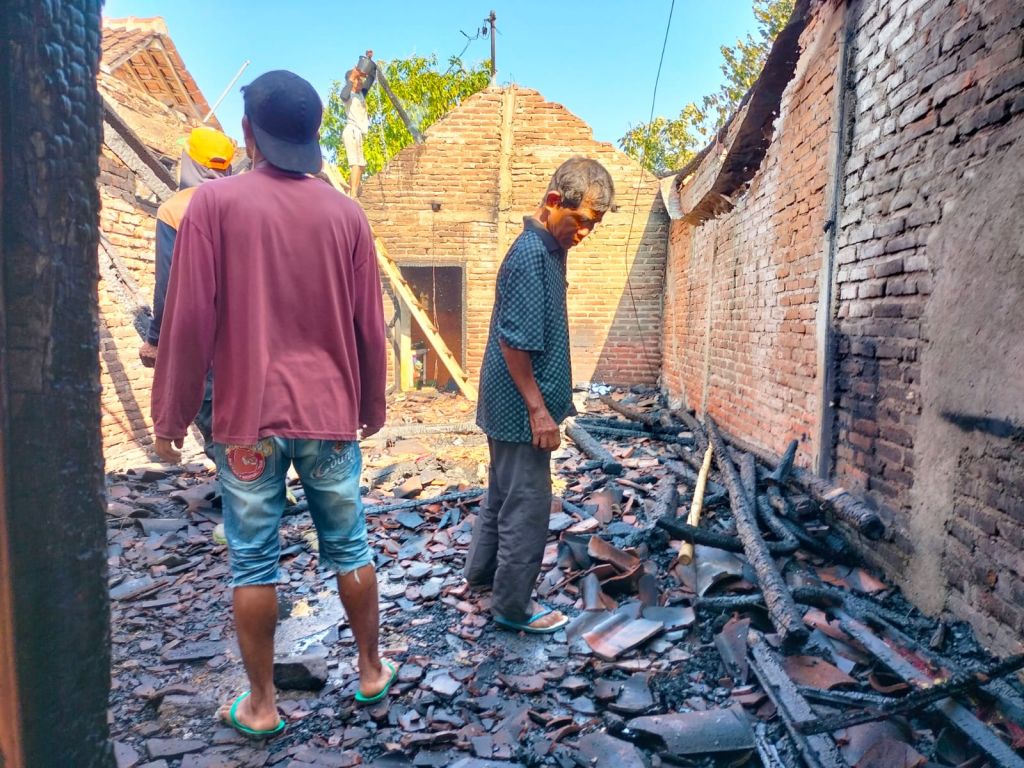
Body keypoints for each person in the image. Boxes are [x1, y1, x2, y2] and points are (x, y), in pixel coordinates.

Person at [151, 70, 393, 738]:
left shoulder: (212, 207)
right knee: (350, 545)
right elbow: (368, 325)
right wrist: (372, 403)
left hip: (246, 422)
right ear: (314, 134)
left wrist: (170, 417)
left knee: (253, 561)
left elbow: (187, 322)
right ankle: (372, 670)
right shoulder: (346, 215)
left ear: (248, 133)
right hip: (328, 416)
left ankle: (262, 704)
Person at [467, 157, 615, 634]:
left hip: (505, 400)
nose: (585, 234)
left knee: (502, 492)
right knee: (528, 505)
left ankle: (481, 576)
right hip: (518, 406)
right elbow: (514, 342)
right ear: (553, 201)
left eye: (594, 225)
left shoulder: (548, 247)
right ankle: (512, 607)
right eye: (581, 221)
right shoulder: (533, 255)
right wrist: (539, 412)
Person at [139, 126, 235, 452]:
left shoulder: (174, 209)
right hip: (247, 337)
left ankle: (234, 475)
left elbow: (168, 284)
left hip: (200, 337)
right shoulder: (246, 203)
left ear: (189, 163)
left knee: (217, 426)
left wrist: (155, 338)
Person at [341, 55, 371, 198]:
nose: (360, 82)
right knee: (356, 163)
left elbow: (370, 80)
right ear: (352, 81)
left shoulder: (360, 95)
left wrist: (368, 61)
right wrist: (352, 77)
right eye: (357, 80)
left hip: (358, 132)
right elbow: (343, 95)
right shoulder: (349, 95)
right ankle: (353, 195)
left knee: (361, 165)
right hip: (351, 130)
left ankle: (350, 191)